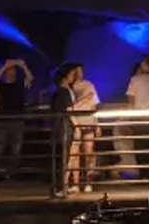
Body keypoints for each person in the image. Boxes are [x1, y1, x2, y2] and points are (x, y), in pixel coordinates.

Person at [0, 58, 33, 182]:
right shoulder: (2, 86)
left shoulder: (19, 84)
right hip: (4, 121)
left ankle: (10, 174)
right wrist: (4, 67)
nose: (12, 73)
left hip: (18, 120)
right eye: (10, 71)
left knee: (16, 151)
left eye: (13, 71)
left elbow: (30, 79)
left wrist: (23, 66)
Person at [65, 64, 99, 194]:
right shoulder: (69, 87)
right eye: (76, 71)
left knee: (88, 152)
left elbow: (94, 105)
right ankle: (75, 183)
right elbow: (69, 106)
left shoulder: (89, 85)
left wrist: (97, 124)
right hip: (75, 122)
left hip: (88, 121)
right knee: (75, 155)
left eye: (81, 71)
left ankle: (88, 183)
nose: (79, 73)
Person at [48, 67, 74, 199]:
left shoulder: (56, 93)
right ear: (64, 78)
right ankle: (61, 187)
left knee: (59, 158)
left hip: (57, 127)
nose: (72, 77)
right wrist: (77, 125)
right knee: (64, 158)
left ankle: (59, 187)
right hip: (64, 127)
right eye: (70, 75)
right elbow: (69, 110)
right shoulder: (65, 92)